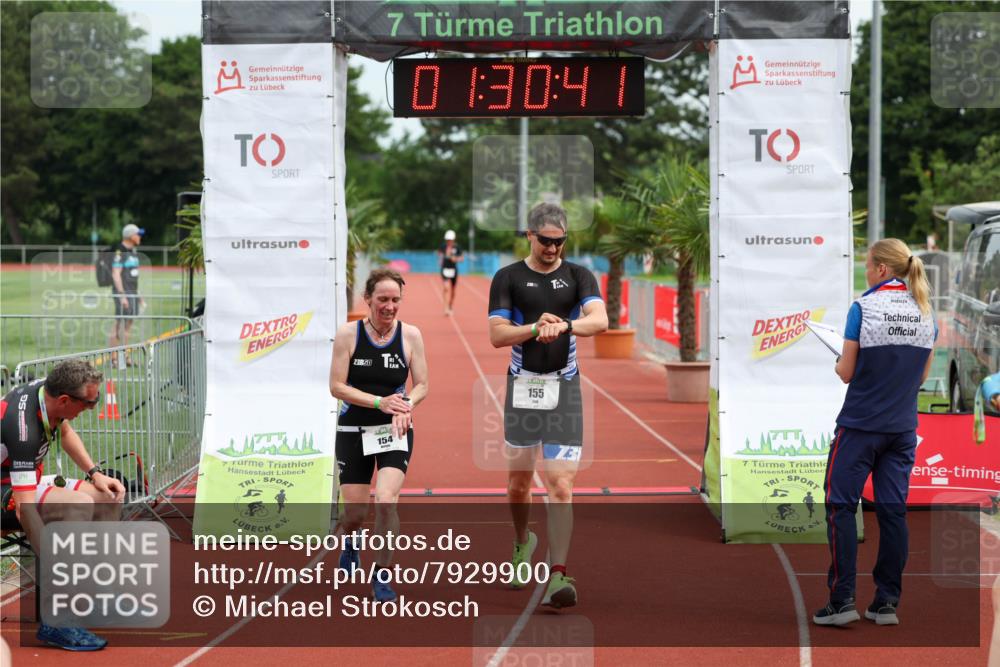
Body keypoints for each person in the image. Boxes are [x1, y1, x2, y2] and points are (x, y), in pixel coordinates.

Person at [487, 202, 608, 609]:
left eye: (560, 242)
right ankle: (523, 543)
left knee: (560, 484)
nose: (554, 249)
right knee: (519, 485)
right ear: (530, 235)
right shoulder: (508, 277)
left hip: (565, 390)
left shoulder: (578, 276)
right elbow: (497, 336)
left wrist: (565, 325)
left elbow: (600, 321)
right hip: (522, 389)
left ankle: (558, 574)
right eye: (546, 241)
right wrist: (535, 328)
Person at [813, 239, 937, 627]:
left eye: (868, 266)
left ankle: (842, 600)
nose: (866, 272)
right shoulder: (926, 311)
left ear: (882, 269)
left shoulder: (863, 307)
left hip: (860, 426)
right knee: (893, 512)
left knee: (841, 507)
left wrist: (840, 361)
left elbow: (846, 372)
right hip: (902, 430)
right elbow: (920, 378)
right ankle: (886, 604)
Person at [1, 359, 126, 650]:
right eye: (89, 403)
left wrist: (96, 474)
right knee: (77, 505)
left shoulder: (48, 394)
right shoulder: (23, 430)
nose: (91, 408)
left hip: (21, 478)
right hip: (6, 489)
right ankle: (57, 618)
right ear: (65, 400)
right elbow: (24, 509)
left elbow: (65, 432)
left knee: (108, 496)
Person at [329, 268, 429, 603]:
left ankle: (382, 576)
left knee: (386, 501)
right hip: (353, 430)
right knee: (355, 515)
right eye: (382, 299)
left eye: (395, 300)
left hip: (393, 432)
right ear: (368, 299)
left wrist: (404, 406)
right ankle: (351, 539)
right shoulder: (349, 334)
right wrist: (378, 402)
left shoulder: (411, 335)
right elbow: (336, 387)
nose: (389, 306)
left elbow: (423, 385)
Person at [108, 223, 146, 353]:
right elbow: (116, 274)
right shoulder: (120, 251)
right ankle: (113, 358)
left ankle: (125, 356)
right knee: (118, 324)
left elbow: (133, 277)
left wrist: (139, 296)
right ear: (130, 236)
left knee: (128, 325)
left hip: (132, 293)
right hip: (123, 293)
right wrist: (122, 296)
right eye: (138, 234)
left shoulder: (133, 252)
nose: (140, 236)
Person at [437, 229, 464, 315]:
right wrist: (440, 258)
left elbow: (462, 258)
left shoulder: (457, 247)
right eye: (447, 240)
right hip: (445, 269)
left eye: (450, 240)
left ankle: (450, 305)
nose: (449, 241)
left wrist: (455, 259)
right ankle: (445, 308)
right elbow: (439, 254)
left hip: (453, 270)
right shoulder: (443, 246)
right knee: (446, 288)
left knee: (453, 291)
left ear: (453, 239)